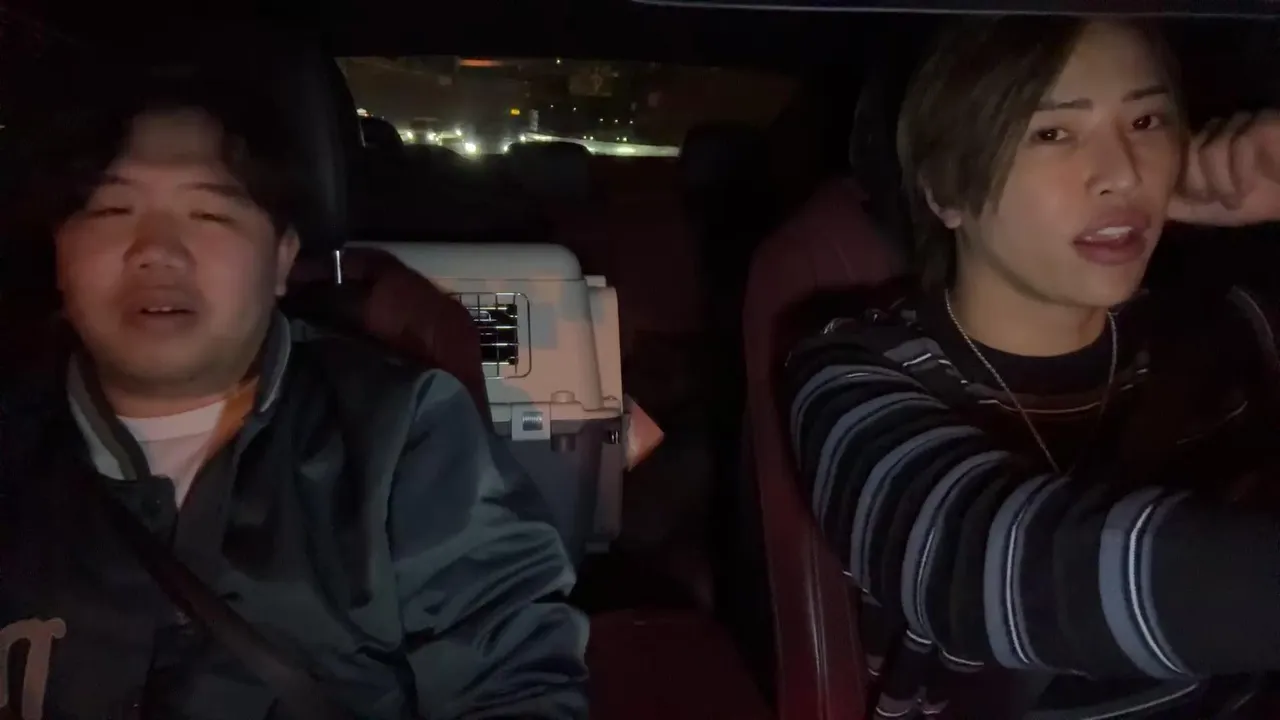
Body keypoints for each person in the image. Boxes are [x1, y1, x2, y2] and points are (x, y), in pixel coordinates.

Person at [0, 68, 587, 719]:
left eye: (208, 213)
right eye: (113, 210)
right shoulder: (16, 446)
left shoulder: (399, 437)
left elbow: (514, 682)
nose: (157, 251)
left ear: (282, 258)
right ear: (59, 248)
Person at [785, 16, 1280, 720]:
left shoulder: (1227, 327)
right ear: (945, 190)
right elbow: (982, 561)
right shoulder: (851, 376)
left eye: (1146, 122)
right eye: (1052, 133)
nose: (1124, 173)